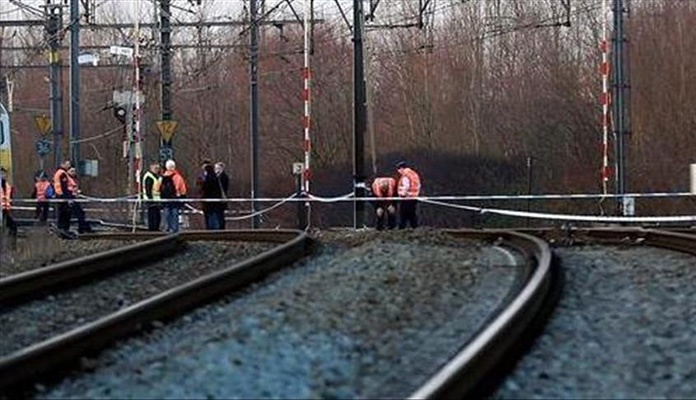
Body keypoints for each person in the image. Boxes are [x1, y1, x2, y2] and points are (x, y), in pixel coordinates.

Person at [161, 159, 188, 233]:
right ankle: (174, 229)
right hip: (175, 197)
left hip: (165, 198)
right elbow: (183, 189)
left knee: (166, 213)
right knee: (174, 213)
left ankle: (167, 228)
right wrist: (183, 197)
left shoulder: (162, 177)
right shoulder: (178, 177)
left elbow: (157, 188)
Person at [67, 166, 92, 234]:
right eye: (72, 171)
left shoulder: (74, 179)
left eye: (74, 171)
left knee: (80, 213)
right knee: (79, 214)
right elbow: (68, 188)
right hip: (71, 198)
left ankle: (83, 228)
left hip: (74, 198)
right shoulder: (67, 179)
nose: (73, 173)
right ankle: (83, 228)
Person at [396, 161, 421, 229]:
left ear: (401, 168)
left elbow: (406, 186)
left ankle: (402, 228)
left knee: (403, 214)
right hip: (414, 196)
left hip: (407, 197)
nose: (399, 172)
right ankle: (414, 227)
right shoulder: (413, 174)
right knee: (412, 214)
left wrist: (402, 193)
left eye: (398, 170)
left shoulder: (405, 175)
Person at [198, 160, 220, 230]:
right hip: (213, 199)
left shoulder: (208, 178)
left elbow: (206, 187)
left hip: (208, 200)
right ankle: (214, 229)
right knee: (213, 215)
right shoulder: (215, 177)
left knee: (210, 216)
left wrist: (202, 185)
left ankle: (211, 230)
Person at [53, 160, 74, 236]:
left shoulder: (58, 173)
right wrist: (68, 197)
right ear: (63, 164)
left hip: (60, 195)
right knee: (65, 213)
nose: (69, 165)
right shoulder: (62, 173)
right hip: (63, 196)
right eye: (67, 164)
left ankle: (61, 228)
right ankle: (64, 229)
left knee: (62, 213)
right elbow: (64, 186)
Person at [141, 162, 162, 231]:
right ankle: (152, 229)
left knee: (157, 216)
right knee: (152, 216)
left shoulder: (156, 176)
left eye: (158, 168)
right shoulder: (149, 177)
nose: (157, 170)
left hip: (157, 199)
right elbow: (148, 190)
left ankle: (156, 228)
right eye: (155, 168)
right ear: (151, 168)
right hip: (151, 200)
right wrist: (151, 199)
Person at [0, 167, 18, 237]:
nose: (2, 175)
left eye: (3, 173)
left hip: (4, 208)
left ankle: (11, 241)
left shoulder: (6, 184)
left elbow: (9, 195)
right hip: (2, 208)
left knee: (11, 225)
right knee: (10, 224)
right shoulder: (4, 184)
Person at [214, 162, 229, 229]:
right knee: (218, 215)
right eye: (216, 168)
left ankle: (221, 228)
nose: (216, 170)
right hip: (218, 199)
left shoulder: (223, 177)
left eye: (218, 168)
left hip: (220, 199)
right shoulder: (217, 177)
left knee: (220, 215)